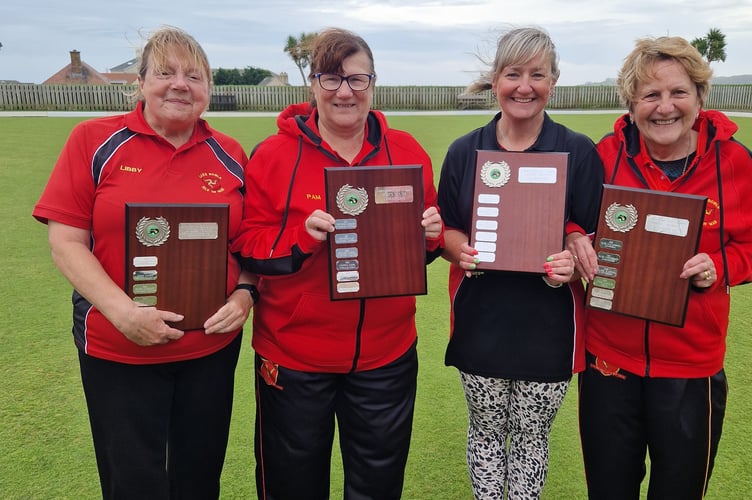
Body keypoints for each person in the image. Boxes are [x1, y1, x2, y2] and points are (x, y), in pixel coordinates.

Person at [32, 26, 255, 499]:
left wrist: (244, 294)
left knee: (198, 479)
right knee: (133, 483)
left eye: (194, 76)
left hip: (208, 351)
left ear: (208, 90)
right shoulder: (94, 140)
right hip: (120, 349)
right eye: (166, 73)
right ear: (141, 83)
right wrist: (124, 314)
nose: (180, 84)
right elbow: (67, 242)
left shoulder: (230, 155)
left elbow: (249, 244)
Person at [230, 27, 444, 499]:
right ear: (312, 85)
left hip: (385, 356)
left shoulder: (406, 152)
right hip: (294, 355)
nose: (344, 91)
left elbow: (424, 242)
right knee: (292, 485)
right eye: (331, 79)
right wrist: (301, 237)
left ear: (372, 83)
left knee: (378, 484)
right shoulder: (272, 155)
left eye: (356, 79)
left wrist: (431, 236)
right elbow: (246, 243)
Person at [574, 36, 752, 499]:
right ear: (631, 104)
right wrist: (576, 238)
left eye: (679, 92)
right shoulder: (603, 156)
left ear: (699, 97)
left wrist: (719, 265)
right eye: (650, 95)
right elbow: (571, 217)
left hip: (692, 366)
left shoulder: (734, 162)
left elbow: (749, 244)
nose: (665, 107)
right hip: (609, 361)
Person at [436, 26, 604, 499]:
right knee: (486, 432)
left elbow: (592, 234)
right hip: (482, 319)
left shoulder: (579, 150)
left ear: (553, 82)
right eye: (513, 74)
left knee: (531, 437)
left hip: (549, 324)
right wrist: (460, 248)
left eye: (537, 74)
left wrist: (574, 252)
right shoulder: (465, 151)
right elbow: (446, 230)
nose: (524, 86)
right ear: (495, 81)